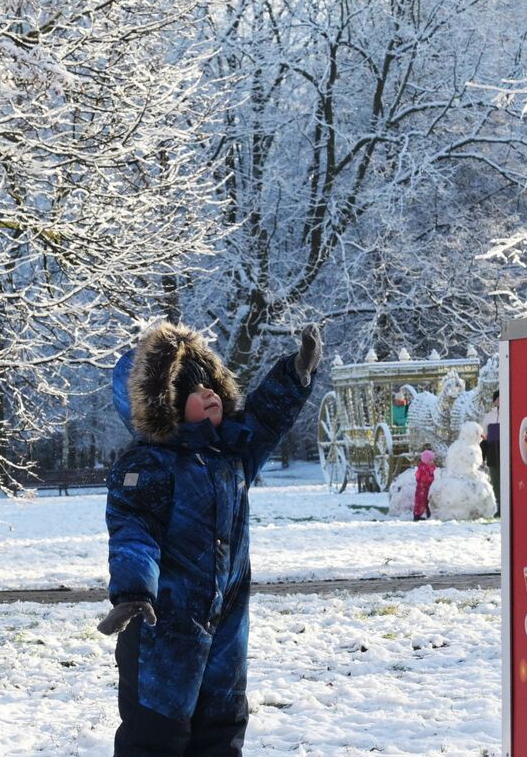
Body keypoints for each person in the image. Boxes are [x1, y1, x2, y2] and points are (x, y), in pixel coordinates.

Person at [98, 321, 321, 757]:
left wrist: (295, 374)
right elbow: (133, 530)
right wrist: (132, 590)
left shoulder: (231, 453)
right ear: (163, 405)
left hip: (226, 624)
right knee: (157, 732)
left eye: (210, 385)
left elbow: (266, 417)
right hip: (162, 626)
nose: (209, 393)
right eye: (192, 390)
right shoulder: (148, 465)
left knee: (220, 727)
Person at [481, 389, 501, 517]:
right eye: (498, 399)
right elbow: (483, 435)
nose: (500, 401)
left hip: (506, 452)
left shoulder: (510, 413)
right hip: (493, 453)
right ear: (494, 401)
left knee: (507, 481)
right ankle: (499, 508)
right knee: (496, 481)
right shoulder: (488, 416)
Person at [413, 449, 436, 520]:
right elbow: (422, 478)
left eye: (433, 460)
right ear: (426, 461)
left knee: (428, 501)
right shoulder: (423, 468)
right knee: (420, 502)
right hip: (422, 489)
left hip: (429, 488)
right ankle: (417, 516)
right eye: (430, 460)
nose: (432, 461)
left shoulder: (432, 467)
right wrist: (431, 479)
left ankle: (429, 514)